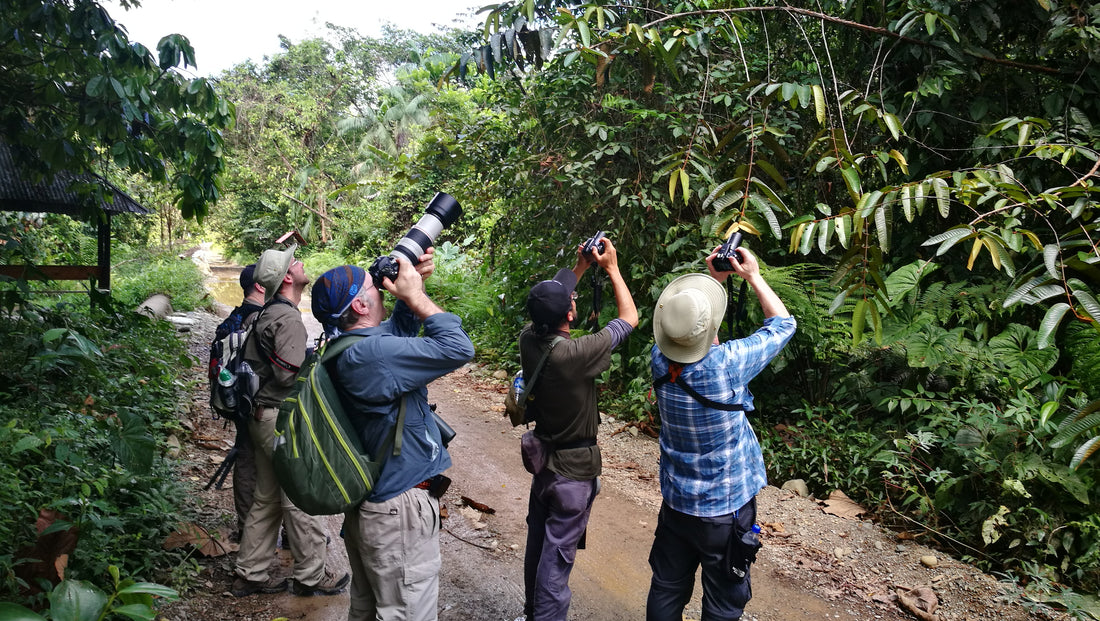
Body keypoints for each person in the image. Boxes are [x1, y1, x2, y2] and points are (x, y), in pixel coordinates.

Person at [310, 250, 474, 621]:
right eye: (374, 286)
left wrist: (409, 293)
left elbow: (396, 334)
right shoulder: (370, 355)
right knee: (406, 613)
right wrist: (416, 297)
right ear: (360, 304)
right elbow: (459, 348)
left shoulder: (347, 348)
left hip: (374, 507)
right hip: (396, 511)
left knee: (369, 611)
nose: (381, 289)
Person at [645, 245, 796, 621]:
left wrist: (715, 283)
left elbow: (689, 332)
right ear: (711, 325)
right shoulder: (727, 365)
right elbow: (782, 324)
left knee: (666, 588)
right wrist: (752, 276)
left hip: (677, 503)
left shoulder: (658, 360)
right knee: (723, 602)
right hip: (723, 510)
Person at [518, 237, 638, 621]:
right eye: (570, 301)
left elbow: (554, 296)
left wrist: (580, 264)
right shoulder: (576, 354)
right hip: (574, 472)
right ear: (569, 316)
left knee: (538, 546)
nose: (573, 300)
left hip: (545, 465)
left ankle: (531, 612)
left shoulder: (529, 339)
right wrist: (612, 269)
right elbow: (629, 319)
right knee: (557, 559)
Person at [232, 244, 350, 598]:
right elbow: (288, 377)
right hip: (279, 420)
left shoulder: (269, 312)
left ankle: (250, 573)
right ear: (287, 278)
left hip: (261, 415)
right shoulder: (287, 318)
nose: (300, 263)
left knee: (267, 498)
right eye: (294, 262)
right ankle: (312, 575)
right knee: (301, 495)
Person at [208, 264, 263, 541]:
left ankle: (246, 528)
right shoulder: (259, 319)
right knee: (274, 465)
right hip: (257, 402)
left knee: (244, 459)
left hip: (236, 400)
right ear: (262, 287)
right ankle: (287, 531)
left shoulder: (236, 315)